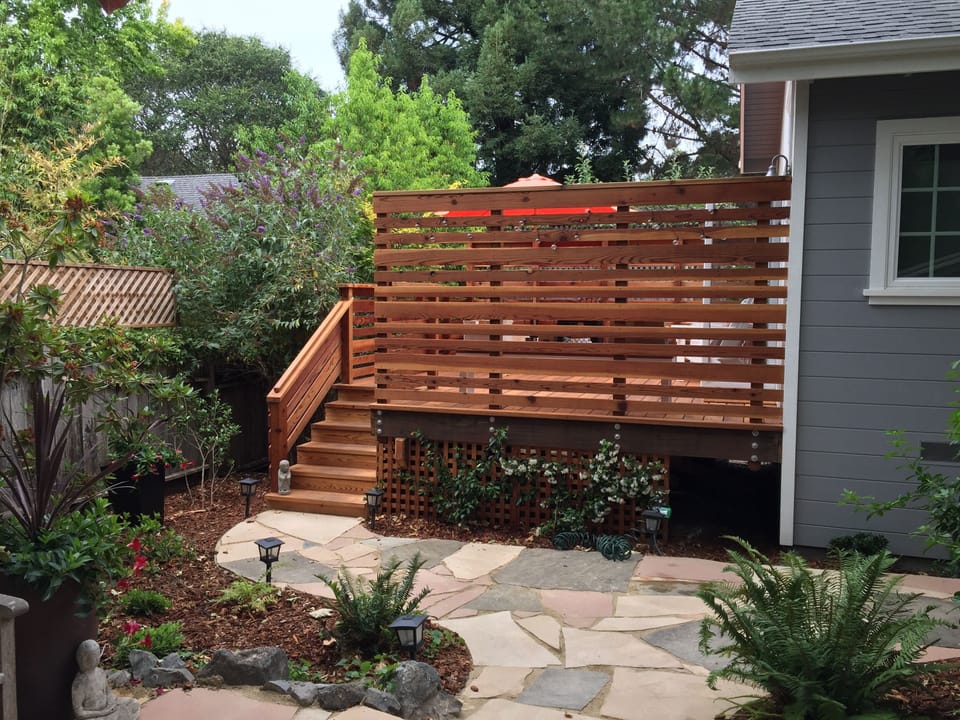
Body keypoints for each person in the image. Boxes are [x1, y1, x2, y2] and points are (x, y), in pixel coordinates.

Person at [72, 639, 140, 720]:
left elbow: (108, 692)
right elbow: (79, 713)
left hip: (107, 708)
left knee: (134, 704)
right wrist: (102, 713)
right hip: (94, 716)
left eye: (97, 655)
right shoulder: (79, 683)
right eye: (92, 656)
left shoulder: (100, 672)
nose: (97, 659)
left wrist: (111, 704)